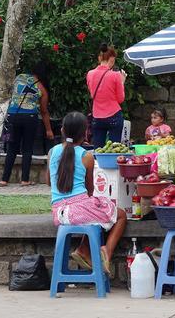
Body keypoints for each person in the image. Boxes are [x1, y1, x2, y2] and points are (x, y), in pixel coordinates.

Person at [46, 112, 126, 272]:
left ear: (62, 130)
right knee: (120, 214)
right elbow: (90, 189)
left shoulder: (52, 152)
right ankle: (107, 252)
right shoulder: (87, 156)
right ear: (85, 134)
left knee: (94, 215)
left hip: (58, 213)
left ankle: (83, 249)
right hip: (78, 210)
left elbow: (49, 182)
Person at [0, 62, 54, 187]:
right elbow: (44, 111)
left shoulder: (19, 78)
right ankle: (24, 180)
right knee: (27, 149)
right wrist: (49, 130)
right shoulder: (41, 87)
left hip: (13, 116)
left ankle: (4, 179)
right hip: (30, 118)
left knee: (11, 148)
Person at [87, 44, 127, 149]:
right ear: (112, 58)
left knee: (98, 149)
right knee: (114, 149)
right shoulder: (115, 75)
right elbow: (120, 99)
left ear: (99, 58)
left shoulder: (90, 74)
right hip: (113, 115)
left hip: (97, 116)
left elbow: (92, 95)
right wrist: (122, 82)